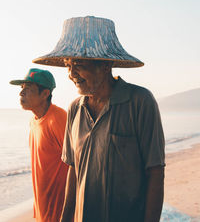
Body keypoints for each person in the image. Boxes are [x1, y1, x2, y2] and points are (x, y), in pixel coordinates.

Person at [32, 16, 165, 222]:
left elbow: (155, 172)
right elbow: (73, 172)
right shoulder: (75, 109)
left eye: (78, 64)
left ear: (105, 65)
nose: (71, 73)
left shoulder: (140, 102)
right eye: (68, 65)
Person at [10, 68, 69, 222]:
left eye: (28, 89)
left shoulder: (58, 118)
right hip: (43, 205)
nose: (21, 93)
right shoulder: (34, 120)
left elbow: (78, 163)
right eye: (22, 88)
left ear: (45, 94)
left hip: (60, 209)